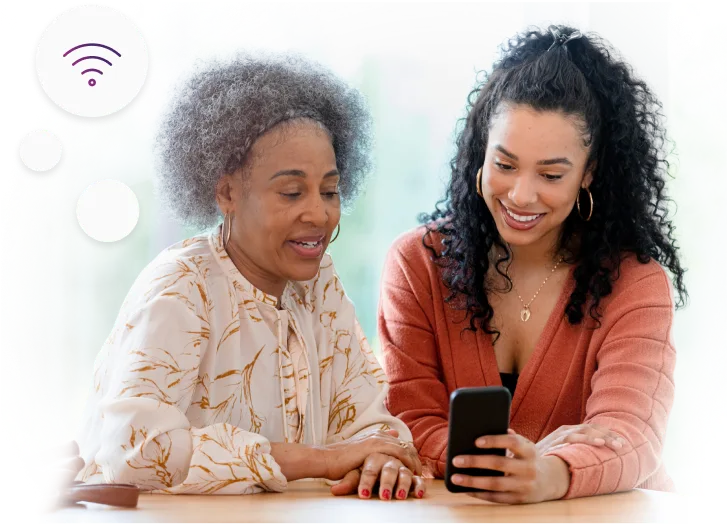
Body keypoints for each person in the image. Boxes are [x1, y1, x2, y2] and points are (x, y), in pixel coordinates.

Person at [72, 46, 425, 501]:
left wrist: (382, 458)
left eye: (330, 190)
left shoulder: (319, 286)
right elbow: (138, 452)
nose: (319, 213)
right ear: (226, 193)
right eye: (292, 192)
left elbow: (370, 421)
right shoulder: (181, 287)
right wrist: (322, 460)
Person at [379, 23, 687, 504]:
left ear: (589, 173)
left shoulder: (636, 283)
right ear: (480, 154)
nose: (521, 195)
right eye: (505, 165)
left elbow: (630, 435)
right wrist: (519, 463)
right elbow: (410, 423)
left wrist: (550, 473)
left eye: (551, 174)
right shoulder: (418, 264)